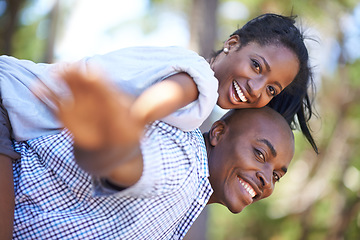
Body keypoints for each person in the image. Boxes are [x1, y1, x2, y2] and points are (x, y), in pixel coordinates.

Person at [10, 69, 295, 238]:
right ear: (219, 133)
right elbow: (138, 165)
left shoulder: (191, 197)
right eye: (260, 154)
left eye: (277, 176)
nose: (267, 181)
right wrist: (111, 142)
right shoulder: (186, 164)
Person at [0, 13, 317, 151]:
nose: (257, 88)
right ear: (232, 44)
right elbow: (140, 112)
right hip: (11, 101)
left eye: (272, 90)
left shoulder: (186, 68)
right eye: (256, 66)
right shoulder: (198, 83)